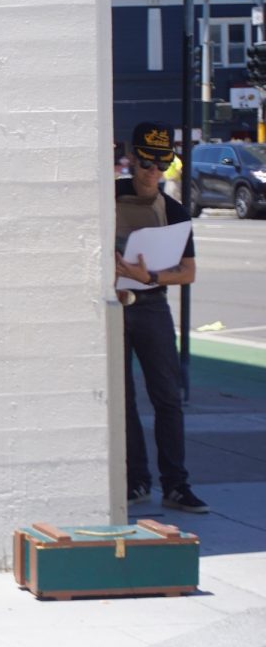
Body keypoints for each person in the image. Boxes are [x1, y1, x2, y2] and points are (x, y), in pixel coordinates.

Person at [114, 121, 208, 513]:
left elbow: (188, 272)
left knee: (167, 397)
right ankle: (136, 480)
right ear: (132, 159)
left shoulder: (173, 210)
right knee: (123, 398)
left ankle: (176, 484)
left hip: (150, 303)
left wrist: (148, 276)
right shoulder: (108, 196)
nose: (153, 172)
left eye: (162, 165)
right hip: (113, 302)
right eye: (147, 163)